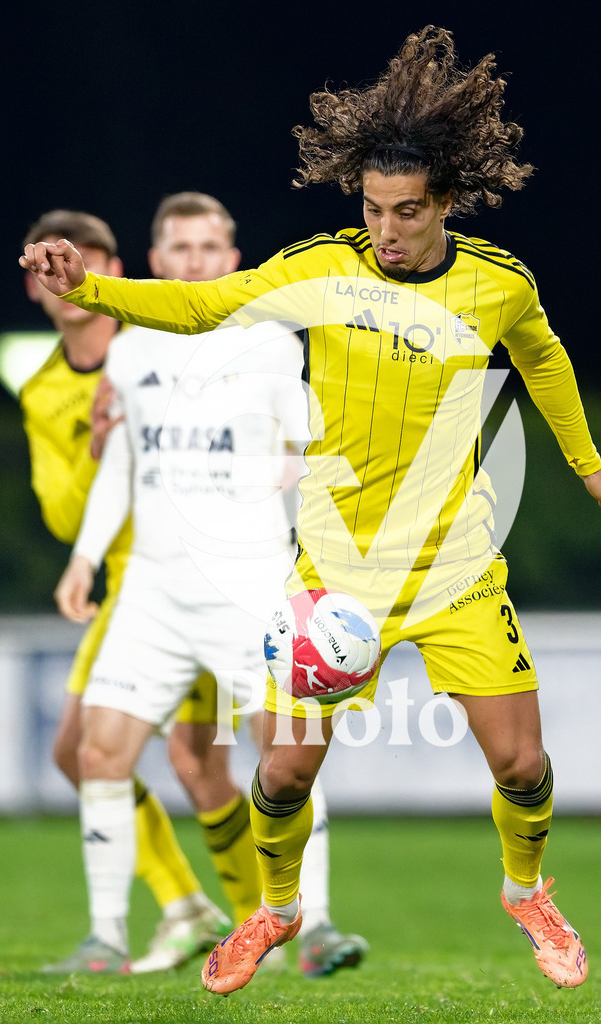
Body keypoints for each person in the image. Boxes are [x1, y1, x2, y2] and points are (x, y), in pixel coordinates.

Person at [21, 26, 601, 996]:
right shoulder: (322, 268)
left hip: (453, 564)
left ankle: (527, 890)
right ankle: (273, 906)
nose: (387, 230)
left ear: (446, 205)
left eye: (407, 212)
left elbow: (544, 355)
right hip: (334, 572)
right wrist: (90, 289)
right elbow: (204, 305)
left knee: (522, 764)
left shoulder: (497, 284)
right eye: (373, 208)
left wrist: (587, 462)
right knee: (283, 773)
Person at [50, 191, 368, 977]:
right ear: (156, 263)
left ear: (233, 261)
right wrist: (86, 558)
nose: (196, 261)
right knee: (98, 752)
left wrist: (309, 525)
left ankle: (316, 926)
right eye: (180, 250)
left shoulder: (266, 342)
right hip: (152, 593)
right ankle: (105, 936)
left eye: (210, 249)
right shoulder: (128, 350)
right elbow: (122, 465)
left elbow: (307, 450)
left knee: (284, 754)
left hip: (247, 586)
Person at [20, 209, 234, 973]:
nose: (70, 277)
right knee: (82, 754)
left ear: (109, 271)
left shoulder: (159, 344)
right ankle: (189, 908)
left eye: (87, 261)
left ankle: (267, 919)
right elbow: (64, 514)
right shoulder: (45, 391)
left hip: (208, 576)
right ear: (35, 284)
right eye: (52, 264)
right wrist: (102, 449)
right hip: (130, 591)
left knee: (198, 763)